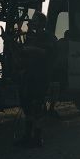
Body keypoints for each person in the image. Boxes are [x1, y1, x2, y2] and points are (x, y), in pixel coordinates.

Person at [16, 11, 57, 148]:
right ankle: (28, 135)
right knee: (27, 106)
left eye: (35, 20)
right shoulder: (32, 36)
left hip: (41, 76)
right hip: (30, 75)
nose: (32, 21)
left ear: (41, 23)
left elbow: (47, 52)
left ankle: (37, 137)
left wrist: (31, 49)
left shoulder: (48, 37)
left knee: (37, 106)